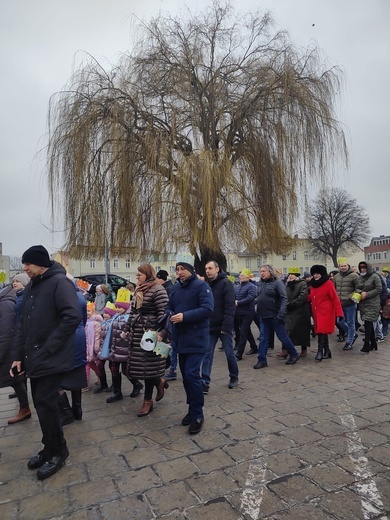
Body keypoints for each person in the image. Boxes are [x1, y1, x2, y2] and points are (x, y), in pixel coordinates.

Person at [10, 245, 82, 480]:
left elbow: (72, 316)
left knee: (46, 404)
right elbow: (24, 324)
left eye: (28, 264)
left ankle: (58, 451)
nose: (24, 268)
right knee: (42, 405)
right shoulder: (33, 286)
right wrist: (18, 356)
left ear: (41, 263)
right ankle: (49, 447)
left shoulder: (59, 283)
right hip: (35, 356)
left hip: (52, 356)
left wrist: (49, 346)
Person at [165, 262, 214, 435]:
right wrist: (168, 314)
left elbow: (207, 309)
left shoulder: (202, 286)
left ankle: (198, 415)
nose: (179, 273)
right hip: (181, 339)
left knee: (192, 375)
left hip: (197, 339)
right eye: (177, 270)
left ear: (191, 271)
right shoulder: (176, 288)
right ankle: (192, 410)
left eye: (182, 269)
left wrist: (185, 316)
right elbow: (169, 307)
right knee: (186, 377)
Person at [126, 264, 169, 417]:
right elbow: (133, 311)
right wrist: (127, 328)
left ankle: (147, 401)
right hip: (138, 334)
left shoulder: (158, 290)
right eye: (136, 275)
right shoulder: (138, 290)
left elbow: (164, 315)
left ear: (148, 274)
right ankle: (160, 382)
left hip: (151, 334)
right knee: (138, 367)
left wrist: (161, 333)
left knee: (149, 368)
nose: (136, 277)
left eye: (139, 275)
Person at [254, 265, 300, 369]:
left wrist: (281, 313)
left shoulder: (277, 283)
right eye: (260, 271)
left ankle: (294, 353)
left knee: (282, 336)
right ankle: (261, 360)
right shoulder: (261, 283)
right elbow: (259, 296)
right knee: (263, 338)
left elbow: (284, 298)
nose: (262, 273)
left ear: (270, 272)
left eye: (264, 271)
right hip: (263, 315)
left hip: (275, 315)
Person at [202, 260, 238, 392]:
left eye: (210, 268)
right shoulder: (206, 285)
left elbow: (230, 307)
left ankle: (234, 376)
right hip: (210, 326)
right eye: (206, 269)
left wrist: (226, 326)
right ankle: (205, 381)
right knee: (207, 354)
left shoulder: (226, 284)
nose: (207, 271)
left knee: (229, 353)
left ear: (217, 269)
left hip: (224, 326)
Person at [0, 275, 32, 425]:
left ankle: (24, 409)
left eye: (17, 282)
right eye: (13, 282)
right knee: (15, 379)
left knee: (15, 378)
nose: (15, 284)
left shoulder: (6, 303)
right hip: (11, 346)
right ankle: (24, 408)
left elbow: (6, 331)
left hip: (9, 347)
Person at [103, 288, 143, 403]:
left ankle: (137, 385)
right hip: (115, 349)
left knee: (127, 370)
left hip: (126, 350)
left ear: (125, 307)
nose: (118, 309)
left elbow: (133, 333)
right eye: (117, 307)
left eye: (120, 307)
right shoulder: (115, 317)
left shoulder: (129, 318)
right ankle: (117, 392)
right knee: (114, 370)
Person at [308, 264, 343, 361]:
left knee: (321, 331)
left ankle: (320, 351)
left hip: (326, 311)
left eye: (318, 273)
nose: (316, 276)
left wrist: (339, 312)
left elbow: (335, 298)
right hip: (316, 311)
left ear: (322, 274)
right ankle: (327, 351)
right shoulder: (313, 284)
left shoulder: (328, 283)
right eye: (314, 273)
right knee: (322, 331)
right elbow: (312, 297)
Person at [283, 267, 311, 358]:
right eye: (290, 274)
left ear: (297, 276)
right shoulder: (287, 284)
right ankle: (285, 350)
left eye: (293, 274)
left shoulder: (302, 283)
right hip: (289, 310)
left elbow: (303, 296)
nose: (291, 276)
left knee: (302, 331)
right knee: (287, 331)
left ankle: (304, 350)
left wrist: (293, 304)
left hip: (301, 311)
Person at [355, 261, 382, 353]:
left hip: (373, 303)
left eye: (364, 268)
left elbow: (379, 289)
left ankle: (366, 344)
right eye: (361, 268)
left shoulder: (375, 277)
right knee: (367, 322)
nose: (362, 269)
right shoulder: (360, 277)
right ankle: (373, 343)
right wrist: (360, 292)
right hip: (363, 303)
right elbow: (357, 288)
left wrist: (367, 294)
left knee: (368, 322)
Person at [333, 258, 359, 350]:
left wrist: (352, 296)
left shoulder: (354, 276)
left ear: (348, 266)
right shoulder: (336, 277)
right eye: (341, 266)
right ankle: (353, 334)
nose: (343, 267)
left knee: (350, 322)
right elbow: (334, 288)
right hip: (339, 304)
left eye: (345, 266)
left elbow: (358, 288)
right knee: (339, 321)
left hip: (350, 303)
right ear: (339, 267)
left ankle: (349, 342)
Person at [234, 268, 258, 360]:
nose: (240, 277)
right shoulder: (238, 287)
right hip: (239, 313)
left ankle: (239, 354)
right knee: (247, 331)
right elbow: (235, 297)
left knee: (243, 333)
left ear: (247, 277)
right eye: (240, 275)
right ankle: (254, 347)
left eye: (242, 275)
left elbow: (250, 298)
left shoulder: (251, 286)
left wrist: (238, 302)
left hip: (248, 313)